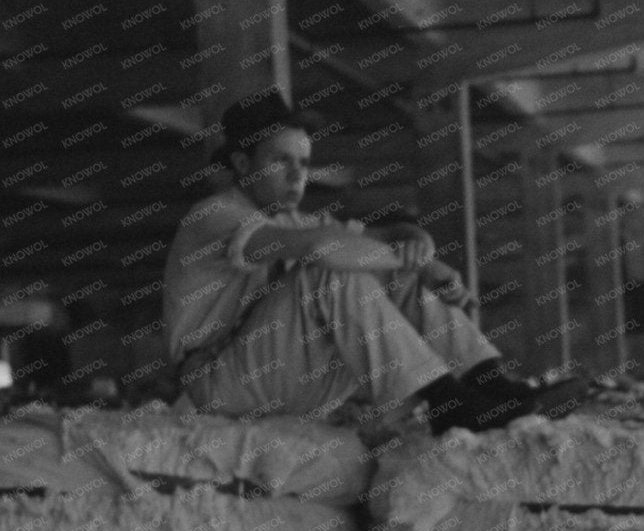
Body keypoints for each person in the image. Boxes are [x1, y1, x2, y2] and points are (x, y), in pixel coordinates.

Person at [163, 88, 574, 438]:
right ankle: (446, 401)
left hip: (284, 378)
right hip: (220, 385)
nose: (296, 178)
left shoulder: (291, 219)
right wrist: (408, 261)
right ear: (241, 164)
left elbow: (381, 238)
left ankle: (492, 387)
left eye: (304, 164)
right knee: (330, 270)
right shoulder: (214, 215)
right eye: (280, 161)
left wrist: (420, 253)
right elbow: (324, 250)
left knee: (383, 272)